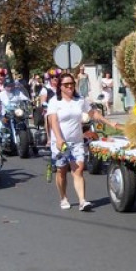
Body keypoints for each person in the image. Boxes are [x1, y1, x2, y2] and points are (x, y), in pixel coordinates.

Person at [47, 74, 104, 211]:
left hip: (77, 142)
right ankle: (63, 198)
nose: (70, 86)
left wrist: (107, 121)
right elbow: (53, 121)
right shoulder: (54, 101)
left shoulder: (80, 100)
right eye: (66, 84)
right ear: (60, 86)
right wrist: (59, 139)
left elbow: (92, 113)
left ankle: (82, 201)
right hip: (60, 143)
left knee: (78, 170)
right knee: (61, 171)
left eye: (71, 83)